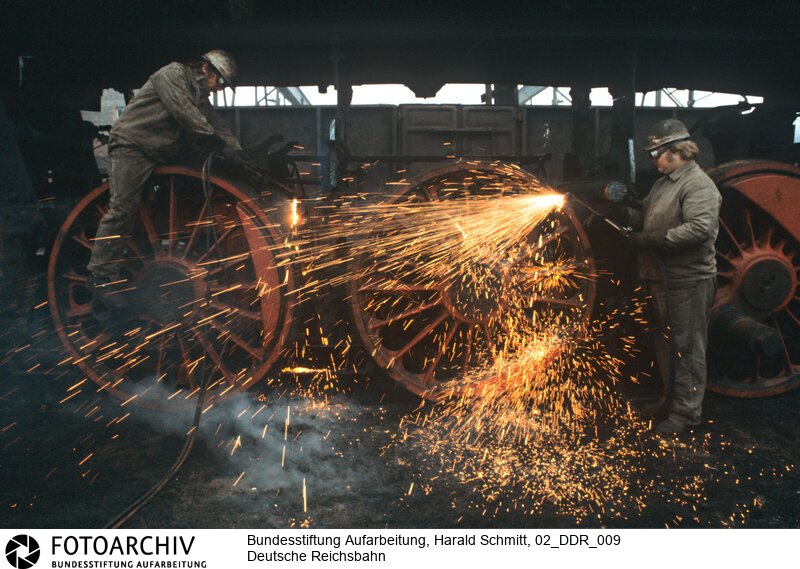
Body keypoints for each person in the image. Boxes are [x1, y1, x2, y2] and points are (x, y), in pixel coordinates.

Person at [86, 49, 250, 306]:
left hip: (161, 152)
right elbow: (187, 114)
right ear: (206, 68)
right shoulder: (172, 74)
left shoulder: (201, 97)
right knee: (123, 208)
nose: (219, 88)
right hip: (133, 146)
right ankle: (101, 275)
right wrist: (216, 144)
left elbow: (218, 126)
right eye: (219, 81)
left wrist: (240, 157)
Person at [607, 119, 722, 435]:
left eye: (655, 154)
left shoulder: (697, 185)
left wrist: (654, 239)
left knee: (686, 348)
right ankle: (670, 400)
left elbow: (700, 229)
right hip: (659, 278)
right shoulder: (664, 184)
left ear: (676, 151)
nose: (652, 160)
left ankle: (686, 414)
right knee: (666, 344)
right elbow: (648, 213)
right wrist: (630, 208)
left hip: (687, 280)